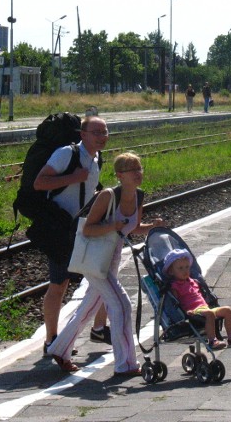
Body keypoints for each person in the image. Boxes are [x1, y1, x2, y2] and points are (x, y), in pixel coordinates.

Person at [48, 152, 165, 375]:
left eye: (139, 168)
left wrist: (152, 226)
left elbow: (133, 228)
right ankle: (126, 364)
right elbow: (88, 229)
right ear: (120, 175)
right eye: (132, 170)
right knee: (122, 305)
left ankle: (58, 349)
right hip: (94, 261)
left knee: (88, 307)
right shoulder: (108, 196)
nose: (138, 173)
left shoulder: (139, 196)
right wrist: (112, 226)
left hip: (111, 261)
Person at [33, 116, 111, 357]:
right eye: (96, 132)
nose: (101, 136)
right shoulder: (66, 154)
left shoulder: (96, 157)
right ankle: (51, 340)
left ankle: (99, 328)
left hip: (83, 227)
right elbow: (39, 182)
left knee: (102, 274)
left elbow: (88, 188)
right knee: (59, 284)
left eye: (105, 132)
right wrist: (72, 178)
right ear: (83, 134)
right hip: (60, 229)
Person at [162, 248, 231, 350]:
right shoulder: (175, 286)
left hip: (204, 308)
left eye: (187, 267)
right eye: (180, 268)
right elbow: (174, 302)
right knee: (209, 313)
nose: (185, 271)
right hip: (193, 311)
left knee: (227, 310)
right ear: (171, 272)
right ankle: (212, 341)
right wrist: (184, 312)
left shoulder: (194, 281)